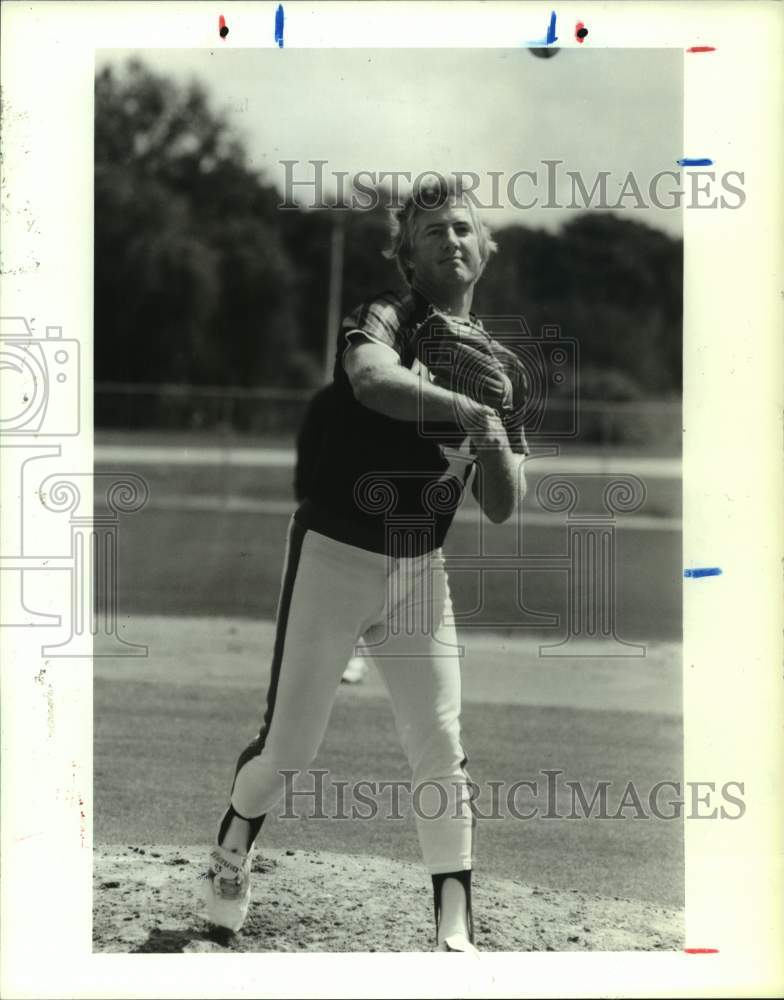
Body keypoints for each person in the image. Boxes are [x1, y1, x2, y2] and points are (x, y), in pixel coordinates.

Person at [203, 178, 529, 953]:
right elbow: (371, 382)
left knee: (440, 744)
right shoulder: (388, 315)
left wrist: (491, 427)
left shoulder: (501, 367)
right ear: (407, 257)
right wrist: (464, 409)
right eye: (431, 233)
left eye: (463, 228)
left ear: (484, 247)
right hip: (335, 557)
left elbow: (506, 501)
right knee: (289, 749)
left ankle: (455, 930)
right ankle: (234, 839)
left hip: (423, 570)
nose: (452, 240)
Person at [294, 384, 369, 684]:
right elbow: (308, 448)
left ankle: (350, 656)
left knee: (357, 587)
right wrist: (305, 497)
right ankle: (337, 656)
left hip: (367, 511)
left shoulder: (390, 397)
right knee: (331, 589)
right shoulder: (327, 399)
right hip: (329, 508)